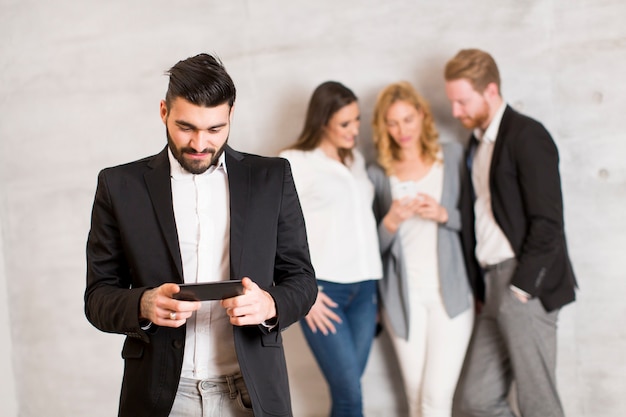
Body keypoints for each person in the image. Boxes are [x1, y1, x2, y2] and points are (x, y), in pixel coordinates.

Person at [84, 53, 317, 417]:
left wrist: (270, 305)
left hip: (252, 392)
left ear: (231, 116)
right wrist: (142, 304)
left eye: (214, 129)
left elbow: (302, 280)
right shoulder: (119, 186)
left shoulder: (272, 178)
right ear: (163, 111)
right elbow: (97, 297)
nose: (199, 143)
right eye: (186, 127)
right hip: (161, 396)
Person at [444, 48, 577, 417]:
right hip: (491, 285)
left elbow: (548, 221)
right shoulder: (476, 144)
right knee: (476, 399)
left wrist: (522, 288)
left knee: (538, 403)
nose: (456, 112)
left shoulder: (527, 135)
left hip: (523, 281)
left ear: (490, 91)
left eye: (462, 101)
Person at [367, 81, 474, 417]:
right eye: (393, 122)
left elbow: (474, 219)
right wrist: (391, 221)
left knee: (435, 398)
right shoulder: (378, 173)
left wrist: (445, 214)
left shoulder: (452, 155)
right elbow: (371, 247)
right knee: (416, 399)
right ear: (383, 126)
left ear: (423, 116)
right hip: (403, 297)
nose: (402, 130)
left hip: (452, 296)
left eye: (408, 119)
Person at [279, 81, 383, 417]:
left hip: (366, 290)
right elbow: (269, 230)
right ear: (322, 121)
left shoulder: (355, 160)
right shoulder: (294, 162)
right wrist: (304, 294)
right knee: (351, 395)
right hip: (326, 292)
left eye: (357, 120)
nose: (354, 130)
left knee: (348, 391)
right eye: (344, 124)